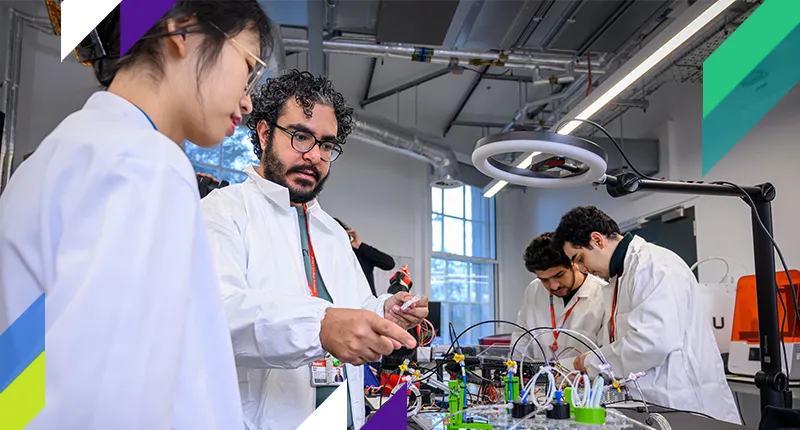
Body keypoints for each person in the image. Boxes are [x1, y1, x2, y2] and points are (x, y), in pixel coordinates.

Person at [0, 2, 273, 429]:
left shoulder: (56, 156)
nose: (248, 99)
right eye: (249, 65)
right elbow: (104, 404)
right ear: (183, 31)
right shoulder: (145, 164)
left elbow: (23, 392)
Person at [200, 69, 429, 430]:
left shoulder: (331, 231)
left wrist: (386, 311)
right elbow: (217, 316)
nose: (314, 156)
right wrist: (319, 327)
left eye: (326, 145)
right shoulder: (223, 211)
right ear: (263, 133)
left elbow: (354, 306)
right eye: (300, 137)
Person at [552, 206, 740, 424]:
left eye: (580, 258)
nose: (581, 269)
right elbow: (623, 343)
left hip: (685, 404)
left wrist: (590, 363)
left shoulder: (653, 266)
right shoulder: (619, 277)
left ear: (597, 240)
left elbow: (651, 343)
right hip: (653, 405)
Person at [512, 232, 607, 361]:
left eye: (559, 275)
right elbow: (522, 336)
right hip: (538, 378)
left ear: (574, 263)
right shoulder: (534, 289)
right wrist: (517, 370)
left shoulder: (603, 293)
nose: (554, 286)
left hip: (583, 378)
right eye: (544, 279)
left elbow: (607, 351)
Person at [334, 218, 396, 296]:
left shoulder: (361, 252)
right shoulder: (328, 257)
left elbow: (389, 263)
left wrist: (360, 246)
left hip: (365, 304)